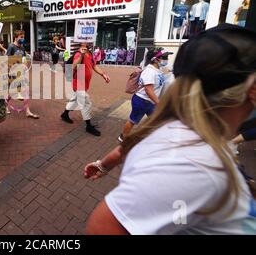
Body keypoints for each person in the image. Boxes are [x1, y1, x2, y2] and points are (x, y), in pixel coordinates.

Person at [85, 24, 256, 235]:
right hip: (143, 102)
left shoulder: (171, 128)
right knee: (132, 121)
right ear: (252, 88)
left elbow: (129, 146)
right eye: (162, 56)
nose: (163, 59)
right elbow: (103, 226)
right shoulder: (193, 165)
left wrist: (103, 165)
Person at [117, 49, 173, 143]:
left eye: (166, 57)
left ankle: (152, 138)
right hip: (142, 101)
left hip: (150, 102)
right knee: (133, 120)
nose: (166, 59)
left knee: (155, 120)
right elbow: (148, 90)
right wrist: (158, 103)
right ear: (155, 59)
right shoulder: (149, 71)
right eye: (164, 57)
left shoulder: (157, 70)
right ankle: (123, 137)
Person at [61, 43, 111, 136]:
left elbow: (94, 66)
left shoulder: (90, 53)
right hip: (78, 81)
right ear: (81, 43)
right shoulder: (78, 54)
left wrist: (103, 74)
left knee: (75, 100)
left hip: (84, 82)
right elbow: (73, 67)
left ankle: (65, 114)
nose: (89, 42)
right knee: (86, 102)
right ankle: (88, 126)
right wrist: (81, 56)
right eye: (86, 40)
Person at [6, 30, 39, 119]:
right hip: (13, 74)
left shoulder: (22, 48)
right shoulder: (11, 47)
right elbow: (7, 60)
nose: (23, 39)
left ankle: (27, 111)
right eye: (21, 37)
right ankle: (5, 104)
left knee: (25, 91)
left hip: (21, 73)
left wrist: (25, 65)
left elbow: (24, 59)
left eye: (23, 37)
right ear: (16, 37)